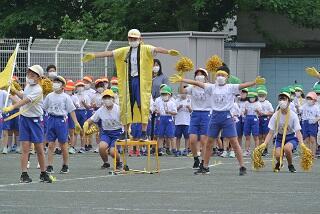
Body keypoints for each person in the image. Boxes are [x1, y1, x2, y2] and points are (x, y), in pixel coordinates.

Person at [82, 29, 180, 142]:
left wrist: (168, 52)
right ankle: (125, 132)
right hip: (128, 80)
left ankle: (144, 132)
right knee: (126, 104)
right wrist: (94, 55)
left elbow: (157, 49)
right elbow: (110, 53)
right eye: (130, 38)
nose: (132, 40)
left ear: (140, 39)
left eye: (135, 38)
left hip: (141, 81)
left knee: (142, 104)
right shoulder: (125, 50)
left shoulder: (145, 48)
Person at [170, 65, 264, 175]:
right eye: (218, 74)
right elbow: (196, 83)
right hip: (214, 116)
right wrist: (182, 79)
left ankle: (242, 166)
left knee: (234, 141)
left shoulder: (230, 87)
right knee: (209, 142)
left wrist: (254, 82)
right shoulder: (211, 87)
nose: (220, 77)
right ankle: (205, 166)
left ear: (227, 77)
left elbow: (243, 85)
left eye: (222, 75)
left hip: (226, 117)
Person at [2, 65, 53, 183]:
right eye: (29, 73)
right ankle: (24, 174)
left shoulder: (38, 89)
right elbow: (24, 96)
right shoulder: (28, 85)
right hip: (24, 119)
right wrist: (14, 90)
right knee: (25, 148)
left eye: (33, 74)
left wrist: (12, 107)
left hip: (36, 120)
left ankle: (43, 173)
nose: (30, 75)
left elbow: (25, 100)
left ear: (38, 77)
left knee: (39, 148)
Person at [43, 76, 81, 174]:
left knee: (63, 145)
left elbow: (71, 110)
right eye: (54, 81)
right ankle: (50, 165)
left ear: (63, 85)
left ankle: (65, 165)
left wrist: (76, 123)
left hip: (61, 121)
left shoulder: (66, 97)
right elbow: (44, 108)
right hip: (51, 119)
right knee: (50, 144)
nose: (55, 83)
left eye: (58, 82)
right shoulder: (49, 96)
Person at [261, 87, 304, 173]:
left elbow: (298, 132)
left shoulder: (293, 115)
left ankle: (290, 165)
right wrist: (264, 144)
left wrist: (302, 144)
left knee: (287, 148)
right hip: (280, 138)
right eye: (280, 99)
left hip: (291, 137)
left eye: (284, 99)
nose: (282, 101)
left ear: (288, 101)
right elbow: (270, 132)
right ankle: (279, 162)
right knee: (277, 155)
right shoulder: (276, 115)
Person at [178, 68, 211, 169]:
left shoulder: (209, 86)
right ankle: (196, 158)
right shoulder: (192, 87)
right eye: (197, 74)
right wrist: (181, 79)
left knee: (203, 141)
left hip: (206, 114)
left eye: (202, 74)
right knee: (192, 140)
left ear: (206, 77)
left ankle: (203, 161)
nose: (199, 76)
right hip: (195, 114)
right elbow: (182, 91)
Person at [84, 89, 123, 170]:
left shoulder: (119, 109)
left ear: (113, 99)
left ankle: (118, 162)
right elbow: (91, 119)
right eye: (105, 98)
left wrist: (127, 130)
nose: (107, 100)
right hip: (106, 132)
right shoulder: (101, 110)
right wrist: (86, 124)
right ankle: (106, 163)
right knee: (101, 147)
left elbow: (126, 121)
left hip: (118, 133)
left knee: (112, 151)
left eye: (109, 98)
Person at [154, 86, 177, 155]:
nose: (164, 96)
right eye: (163, 94)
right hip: (161, 118)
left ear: (170, 95)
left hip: (169, 119)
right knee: (160, 135)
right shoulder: (160, 102)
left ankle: (174, 150)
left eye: (166, 94)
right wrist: (156, 111)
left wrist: (169, 112)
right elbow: (156, 109)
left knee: (171, 135)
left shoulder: (172, 103)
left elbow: (175, 112)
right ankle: (159, 150)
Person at [300, 91, 320, 158]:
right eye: (308, 98)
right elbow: (299, 110)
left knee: (312, 139)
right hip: (305, 123)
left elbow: (319, 116)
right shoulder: (304, 105)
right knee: (306, 139)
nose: (309, 100)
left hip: (312, 124)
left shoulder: (316, 107)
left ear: (314, 100)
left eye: (310, 99)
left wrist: (315, 120)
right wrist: (297, 105)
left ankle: (313, 154)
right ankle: (306, 154)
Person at [243, 88, 262, 157]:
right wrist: (245, 111)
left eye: (253, 97)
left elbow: (260, 114)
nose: (251, 98)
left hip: (254, 119)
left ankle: (256, 151)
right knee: (247, 136)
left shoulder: (258, 103)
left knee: (255, 136)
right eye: (250, 97)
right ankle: (247, 150)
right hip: (247, 118)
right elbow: (244, 113)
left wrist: (258, 111)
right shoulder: (246, 103)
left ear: (255, 97)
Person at [257, 86, 274, 155]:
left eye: (262, 95)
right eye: (260, 95)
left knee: (265, 136)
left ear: (265, 95)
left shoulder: (268, 103)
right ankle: (260, 149)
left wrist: (265, 113)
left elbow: (272, 112)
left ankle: (265, 149)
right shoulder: (256, 102)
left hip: (265, 119)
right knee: (259, 136)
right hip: (258, 119)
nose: (261, 96)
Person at [174, 90, 191, 156]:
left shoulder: (189, 100)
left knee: (187, 137)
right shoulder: (176, 101)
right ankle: (178, 150)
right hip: (178, 122)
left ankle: (186, 150)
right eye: (182, 93)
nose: (183, 95)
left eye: (184, 93)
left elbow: (192, 111)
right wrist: (179, 107)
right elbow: (174, 110)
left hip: (186, 122)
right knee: (178, 137)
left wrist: (189, 108)